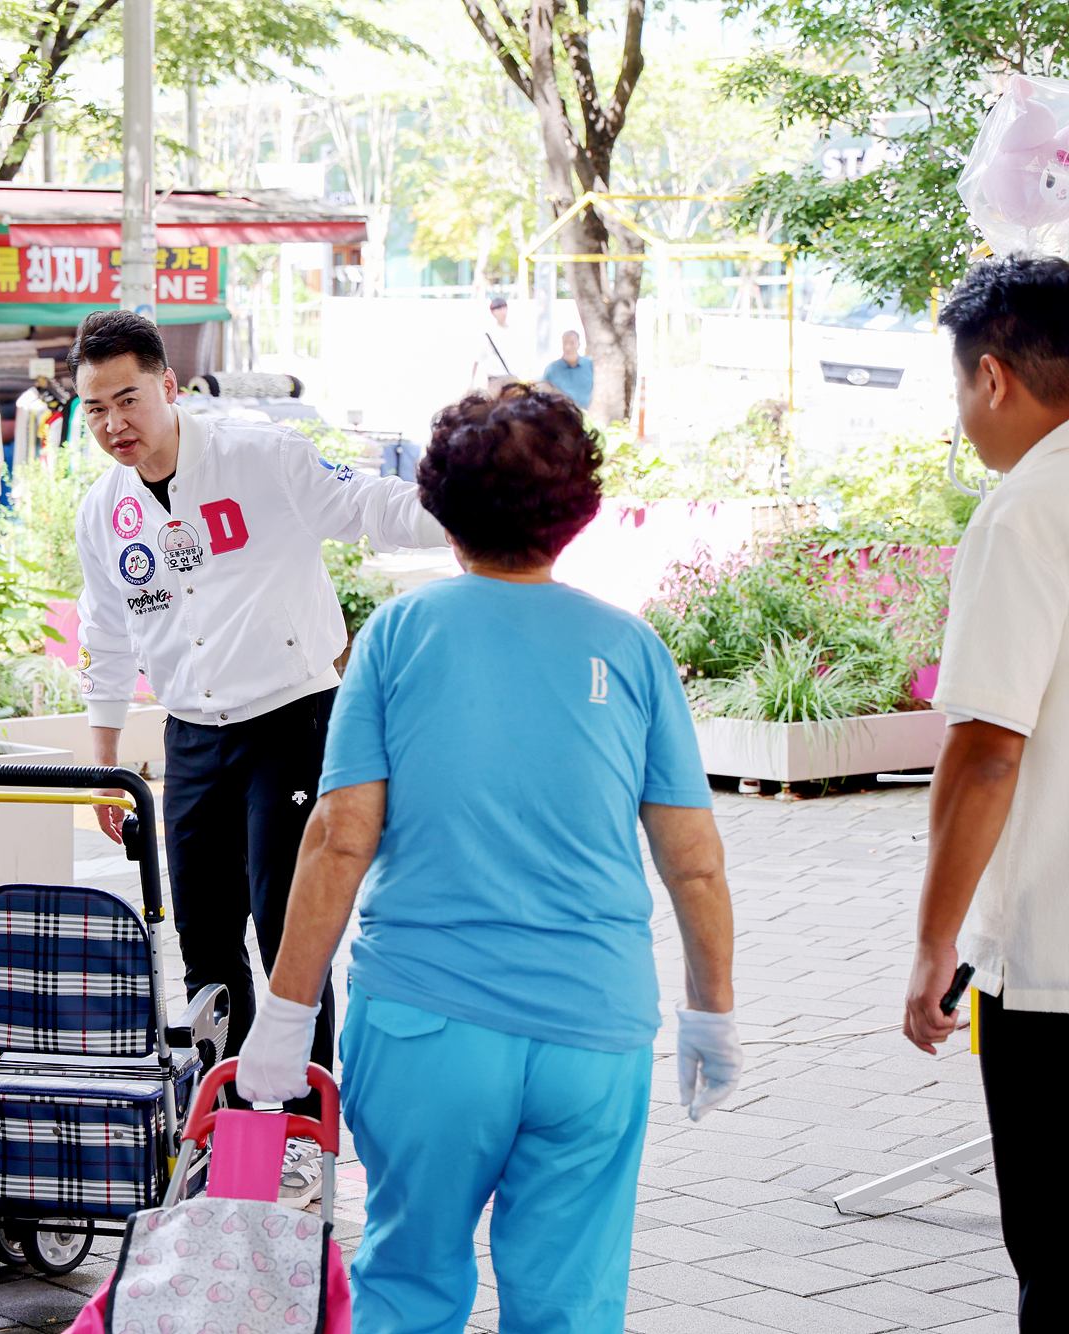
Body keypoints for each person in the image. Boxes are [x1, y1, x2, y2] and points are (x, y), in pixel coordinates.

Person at [235, 386, 740, 1334]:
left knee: (409, 1283)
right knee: (570, 1305)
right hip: (594, 1029)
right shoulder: (631, 649)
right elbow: (696, 864)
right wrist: (711, 1011)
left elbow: (341, 836)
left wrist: (286, 1013)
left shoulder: (396, 636)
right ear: (578, 507)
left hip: (427, 1026)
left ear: (439, 502)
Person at [70, 309, 449, 1206]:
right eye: (92, 409)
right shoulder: (106, 509)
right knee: (204, 945)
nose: (113, 422)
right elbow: (108, 634)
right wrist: (102, 756)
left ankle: (295, 1140)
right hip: (191, 738)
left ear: (168, 386)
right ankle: (226, 1132)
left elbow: (370, 505)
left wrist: (481, 507)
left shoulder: (260, 455)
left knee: (290, 935)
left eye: (127, 397)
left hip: (290, 722)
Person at [902, 253, 1069, 1331]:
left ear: (994, 378)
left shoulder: (1024, 510)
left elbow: (985, 750)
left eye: (960, 387)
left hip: (1055, 970)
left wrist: (932, 937)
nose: (963, 414)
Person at [469, 294, 519, 392]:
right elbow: (477, 360)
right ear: (493, 313)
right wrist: (472, 382)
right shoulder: (489, 335)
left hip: (513, 379)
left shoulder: (515, 332)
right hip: (496, 380)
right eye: (499, 309)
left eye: (504, 308)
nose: (503, 312)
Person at [540, 329, 594, 409]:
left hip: (590, 416)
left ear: (578, 344)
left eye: (572, 343)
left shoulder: (590, 365)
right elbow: (543, 394)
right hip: (562, 416)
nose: (568, 347)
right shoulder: (552, 369)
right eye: (565, 343)